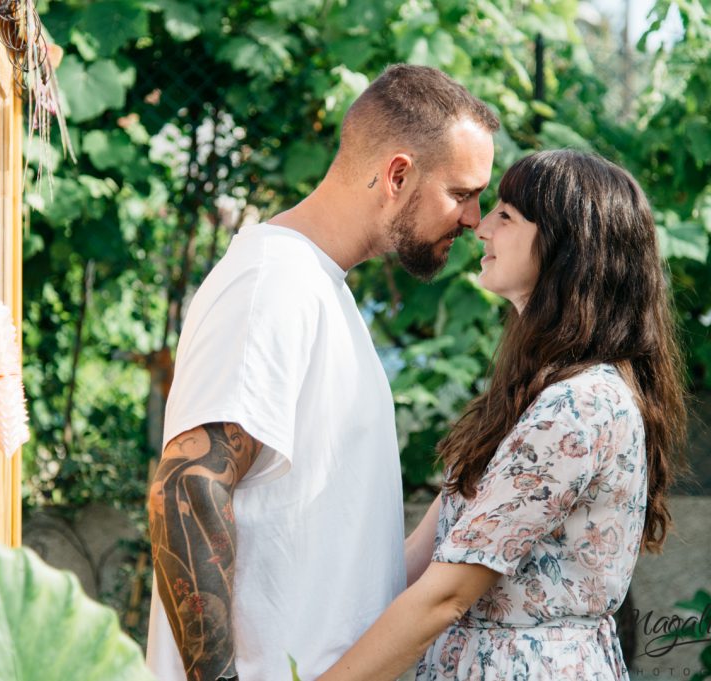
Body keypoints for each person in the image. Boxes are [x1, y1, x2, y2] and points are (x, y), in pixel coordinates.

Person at [145, 64, 500, 681]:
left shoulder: (318, 288)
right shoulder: (272, 283)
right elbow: (188, 486)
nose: (474, 220)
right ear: (397, 174)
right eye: (462, 194)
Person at [316, 149, 688, 681]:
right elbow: (419, 561)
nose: (481, 226)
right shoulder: (535, 395)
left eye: (507, 216)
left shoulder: (578, 406)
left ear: (566, 250)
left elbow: (445, 595)